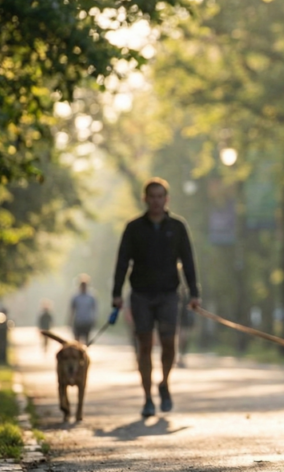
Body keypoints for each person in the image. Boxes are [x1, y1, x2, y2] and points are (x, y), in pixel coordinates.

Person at [112, 177, 201, 418]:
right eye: (152, 196)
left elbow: (188, 261)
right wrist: (116, 293)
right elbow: (122, 262)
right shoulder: (133, 228)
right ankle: (147, 398)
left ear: (166, 199)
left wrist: (194, 293)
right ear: (145, 199)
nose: (156, 201)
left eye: (160, 196)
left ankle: (164, 383)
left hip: (169, 294)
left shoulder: (178, 227)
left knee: (169, 344)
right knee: (145, 347)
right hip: (141, 294)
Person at [69, 275, 97, 344]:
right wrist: (70, 320)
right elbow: (72, 309)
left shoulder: (91, 297)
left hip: (87, 321)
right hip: (78, 321)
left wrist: (94, 319)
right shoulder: (76, 297)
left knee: (86, 341)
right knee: (76, 341)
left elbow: (94, 309)